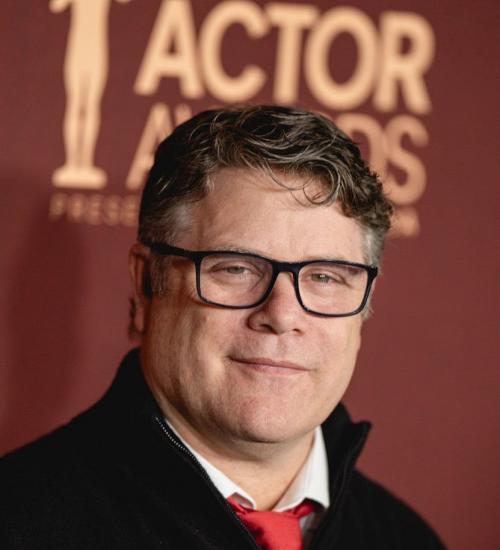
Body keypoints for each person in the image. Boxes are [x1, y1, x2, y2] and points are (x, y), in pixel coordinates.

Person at [0, 105, 444, 549]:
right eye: (236, 268)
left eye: (325, 277)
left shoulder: (408, 540)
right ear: (146, 284)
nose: (282, 316)